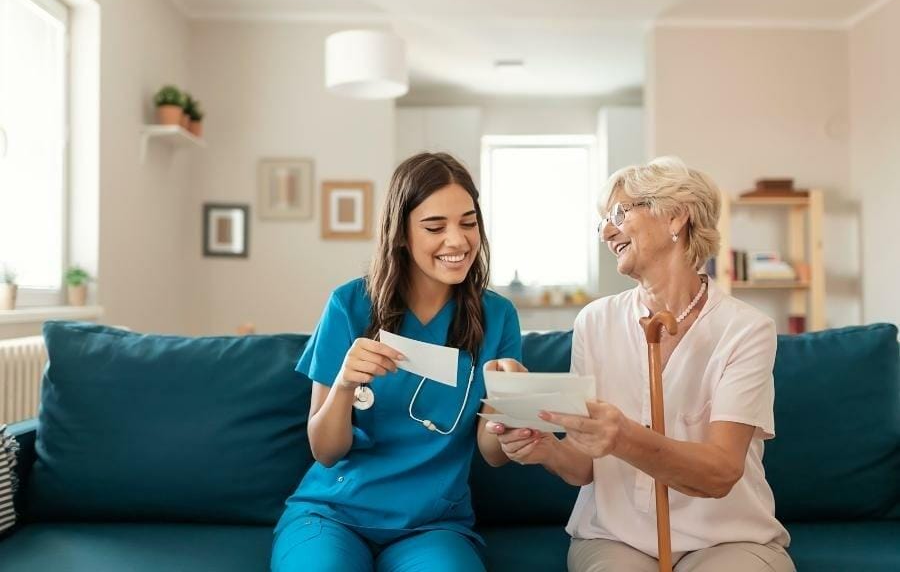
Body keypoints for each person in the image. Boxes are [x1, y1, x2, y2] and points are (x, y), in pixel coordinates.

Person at [486, 156, 795, 572]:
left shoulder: (745, 329)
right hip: (616, 538)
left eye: (618, 213)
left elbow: (721, 472)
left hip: (726, 538)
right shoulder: (594, 321)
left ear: (677, 216)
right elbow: (584, 467)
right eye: (602, 222)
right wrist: (547, 449)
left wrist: (623, 437)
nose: (606, 231)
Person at [272, 152, 521, 572]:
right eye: (434, 227)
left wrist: (513, 405)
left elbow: (493, 454)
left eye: (468, 222)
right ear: (402, 233)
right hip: (333, 514)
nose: (458, 241)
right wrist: (345, 386)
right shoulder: (349, 305)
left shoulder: (497, 317)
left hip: (432, 525)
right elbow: (325, 450)